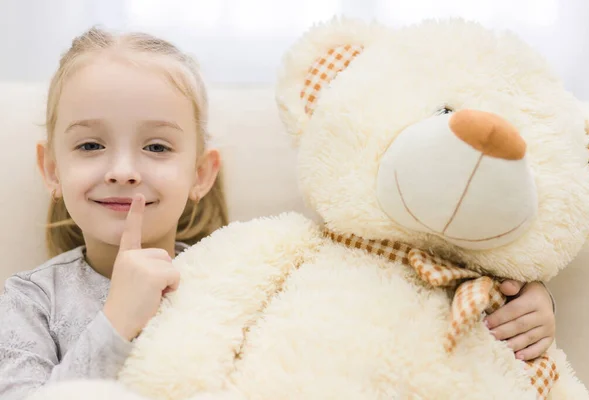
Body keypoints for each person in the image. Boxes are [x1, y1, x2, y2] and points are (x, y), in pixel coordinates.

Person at [0, 27, 555, 399]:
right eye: (91, 146)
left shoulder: (239, 269)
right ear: (51, 168)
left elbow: (381, 286)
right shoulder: (28, 302)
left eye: (158, 147)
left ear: (201, 174)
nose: (123, 169)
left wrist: (515, 299)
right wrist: (116, 320)